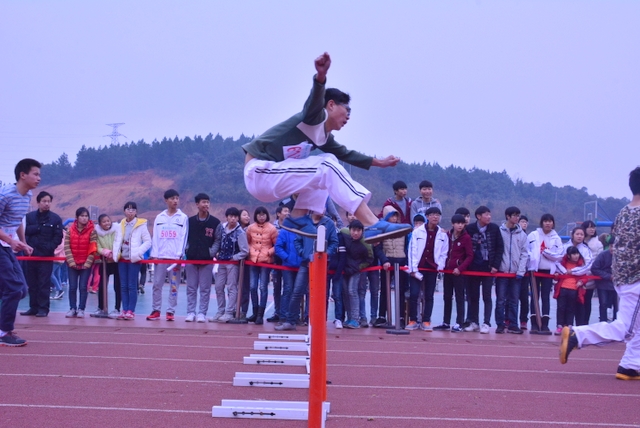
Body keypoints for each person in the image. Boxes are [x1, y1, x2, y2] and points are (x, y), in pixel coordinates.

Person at [241, 52, 410, 243]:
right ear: (331, 105)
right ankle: (371, 223)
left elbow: (347, 154)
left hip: (272, 179)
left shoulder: (323, 137)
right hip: (259, 172)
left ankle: (297, 217)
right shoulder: (314, 116)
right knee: (326, 166)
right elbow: (313, 101)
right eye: (347, 110)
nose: (348, 117)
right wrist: (321, 76)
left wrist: (380, 162)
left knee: (329, 162)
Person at [560, 167, 640, 381]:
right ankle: (578, 335)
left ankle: (630, 365)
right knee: (626, 328)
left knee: (637, 324)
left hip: (623, 276)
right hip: (636, 277)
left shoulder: (624, 212)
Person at [0, 158, 41, 346]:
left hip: (7, 245)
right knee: (14, 288)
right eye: (35, 174)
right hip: (3, 244)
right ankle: (4, 331)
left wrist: (23, 242)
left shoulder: (28, 196)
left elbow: (17, 220)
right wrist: (10, 240)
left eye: (39, 175)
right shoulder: (5, 195)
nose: (39, 178)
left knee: (21, 290)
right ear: (22, 175)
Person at [275, 212, 338, 331]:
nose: (321, 210)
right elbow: (297, 240)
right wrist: (302, 252)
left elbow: (334, 242)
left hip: (321, 264)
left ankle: (318, 322)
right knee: (297, 291)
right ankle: (290, 321)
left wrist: (326, 254)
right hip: (305, 262)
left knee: (320, 294)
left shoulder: (329, 223)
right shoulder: (304, 221)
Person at [147, 189, 189, 321]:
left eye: (177, 198)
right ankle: (156, 310)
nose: (175, 201)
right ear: (166, 200)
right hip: (160, 257)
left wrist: (179, 255)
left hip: (175, 259)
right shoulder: (160, 217)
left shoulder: (183, 218)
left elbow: (184, 237)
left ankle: (170, 311)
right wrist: (154, 254)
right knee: (157, 284)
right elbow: (155, 237)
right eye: (172, 198)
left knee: (174, 285)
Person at [405, 207, 448, 331]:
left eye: (438, 215)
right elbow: (412, 250)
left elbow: (444, 252)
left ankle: (426, 321)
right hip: (417, 268)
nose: (435, 217)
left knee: (429, 296)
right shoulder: (417, 232)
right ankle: (413, 320)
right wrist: (413, 269)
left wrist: (440, 266)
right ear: (427, 217)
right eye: (433, 214)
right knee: (414, 294)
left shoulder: (442, 234)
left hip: (432, 269)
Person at [21, 191, 63, 317]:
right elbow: (24, 232)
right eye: (44, 201)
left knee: (44, 283)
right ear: (38, 202)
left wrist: (49, 247)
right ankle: (33, 307)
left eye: (49, 201)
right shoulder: (29, 217)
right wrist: (36, 230)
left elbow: (58, 237)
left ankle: (43, 309)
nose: (47, 204)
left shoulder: (55, 218)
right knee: (32, 283)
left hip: (46, 256)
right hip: (31, 255)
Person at [464, 206, 504, 333]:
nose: (489, 217)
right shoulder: (470, 228)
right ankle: (474, 322)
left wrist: (495, 265)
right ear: (478, 216)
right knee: (473, 296)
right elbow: (466, 248)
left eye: (489, 214)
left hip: (488, 267)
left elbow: (499, 248)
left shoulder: (494, 228)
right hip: (473, 267)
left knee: (487, 296)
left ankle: (486, 323)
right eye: (486, 214)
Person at [184, 193, 220, 323]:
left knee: (205, 289)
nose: (206, 204)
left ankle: (202, 313)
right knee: (191, 288)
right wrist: (187, 249)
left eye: (208, 202)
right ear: (197, 204)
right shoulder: (190, 221)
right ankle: (190, 312)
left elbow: (217, 240)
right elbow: (185, 238)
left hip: (207, 260)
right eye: (203, 202)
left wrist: (211, 252)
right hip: (191, 259)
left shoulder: (215, 222)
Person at [113, 201, 151, 320]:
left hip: (134, 260)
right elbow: (116, 240)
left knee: (132, 286)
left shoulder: (141, 225)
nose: (130, 212)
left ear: (136, 212)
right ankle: (124, 310)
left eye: (133, 210)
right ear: (124, 211)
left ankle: (131, 310)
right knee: (123, 286)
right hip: (122, 259)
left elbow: (148, 241)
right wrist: (115, 253)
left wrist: (138, 252)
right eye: (128, 209)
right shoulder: (120, 225)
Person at [435, 213, 473, 333]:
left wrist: (460, 268)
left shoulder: (466, 238)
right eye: (457, 223)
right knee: (447, 297)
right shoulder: (447, 235)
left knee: (459, 297)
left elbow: (470, 256)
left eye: (462, 223)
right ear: (452, 224)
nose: (460, 225)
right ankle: (446, 322)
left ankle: (459, 323)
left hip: (458, 273)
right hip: (447, 271)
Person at [210, 207, 249, 322]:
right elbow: (217, 241)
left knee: (232, 287)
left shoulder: (240, 232)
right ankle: (220, 311)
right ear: (226, 217)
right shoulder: (222, 228)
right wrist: (216, 253)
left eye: (235, 217)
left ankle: (229, 312)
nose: (233, 219)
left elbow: (245, 251)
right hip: (221, 262)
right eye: (231, 216)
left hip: (232, 264)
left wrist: (234, 258)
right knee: (218, 286)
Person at [527, 213, 564, 333]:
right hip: (534, 271)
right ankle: (534, 323)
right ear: (542, 223)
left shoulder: (556, 238)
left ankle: (545, 325)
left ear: (553, 223)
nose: (548, 223)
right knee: (534, 297)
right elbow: (527, 251)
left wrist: (546, 252)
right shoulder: (533, 235)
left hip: (548, 271)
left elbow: (559, 255)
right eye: (545, 221)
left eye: (550, 221)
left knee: (545, 297)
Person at [495, 206, 528, 334]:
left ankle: (513, 324)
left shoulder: (522, 234)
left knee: (514, 300)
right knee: (500, 300)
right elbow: (496, 250)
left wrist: (521, 271)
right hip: (502, 272)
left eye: (518, 215)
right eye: (514, 215)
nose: (517, 218)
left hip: (516, 273)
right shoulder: (499, 232)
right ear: (507, 216)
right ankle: (500, 324)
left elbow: (524, 254)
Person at [376, 207, 408, 328]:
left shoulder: (403, 229)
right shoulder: (381, 229)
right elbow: (377, 248)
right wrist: (384, 260)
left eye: (396, 215)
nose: (394, 218)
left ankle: (401, 317)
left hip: (401, 262)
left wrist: (405, 261)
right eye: (391, 215)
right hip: (387, 262)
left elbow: (407, 246)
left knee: (401, 291)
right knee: (384, 290)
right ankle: (382, 316)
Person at [246, 206, 279, 325]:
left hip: (266, 261)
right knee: (252, 286)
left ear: (266, 215)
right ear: (256, 215)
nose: (261, 217)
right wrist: (251, 251)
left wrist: (268, 252)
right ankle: (255, 312)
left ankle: (260, 315)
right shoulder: (250, 228)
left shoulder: (272, 228)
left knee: (263, 287)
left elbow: (277, 244)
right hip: (253, 260)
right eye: (259, 214)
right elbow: (247, 242)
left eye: (263, 214)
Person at [64, 207, 98, 318]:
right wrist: (71, 261)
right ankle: (72, 308)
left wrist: (87, 263)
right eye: (82, 216)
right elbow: (66, 246)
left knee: (83, 287)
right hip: (72, 264)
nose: (84, 218)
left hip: (85, 265)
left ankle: (81, 309)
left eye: (86, 216)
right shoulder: (70, 230)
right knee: (72, 287)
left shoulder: (92, 231)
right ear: (77, 217)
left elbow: (93, 248)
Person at [564, 227, 594, 326]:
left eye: (582, 234)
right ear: (572, 235)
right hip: (566, 281)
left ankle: (580, 327)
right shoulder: (564, 247)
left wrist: (574, 272)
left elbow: (588, 265)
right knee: (565, 306)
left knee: (580, 305)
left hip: (580, 281)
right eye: (577, 234)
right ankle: (565, 327)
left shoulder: (586, 249)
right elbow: (559, 261)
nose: (579, 236)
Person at [553, 246, 586, 335]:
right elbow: (556, 275)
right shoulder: (562, 264)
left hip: (574, 289)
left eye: (577, 253)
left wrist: (581, 281)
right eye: (573, 254)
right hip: (562, 288)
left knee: (571, 308)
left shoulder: (581, 265)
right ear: (568, 255)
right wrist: (556, 276)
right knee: (561, 308)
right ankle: (559, 326)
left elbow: (585, 276)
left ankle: (569, 326)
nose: (576, 256)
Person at [95, 214, 122, 317]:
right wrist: (105, 252)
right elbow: (97, 245)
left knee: (117, 286)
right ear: (100, 224)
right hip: (104, 261)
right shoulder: (97, 232)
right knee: (102, 286)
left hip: (116, 261)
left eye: (108, 221)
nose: (107, 223)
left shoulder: (117, 229)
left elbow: (119, 242)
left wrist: (114, 254)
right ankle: (101, 308)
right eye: (104, 221)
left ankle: (117, 308)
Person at [267, 205, 289, 323]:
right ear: (278, 213)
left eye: (288, 211)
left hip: (288, 262)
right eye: (285, 211)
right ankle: (277, 312)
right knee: (276, 288)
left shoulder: (291, 226)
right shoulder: (272, 228)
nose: (287, 213)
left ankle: (286, 313)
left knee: (287, 288)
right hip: (275, 262)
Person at [592, 234, 617, 322]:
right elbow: (594, 268)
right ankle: (603, 322)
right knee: (603, 304)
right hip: (603, 284)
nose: (613, 248)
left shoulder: (623, 257)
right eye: (611, 246)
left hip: (617, 284)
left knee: (617, 305)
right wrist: (608, 276)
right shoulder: (602, 255)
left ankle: (617, 322)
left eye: (615, 246)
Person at [517, 215, 530, 330]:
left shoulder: (530, 237)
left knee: (524, 298)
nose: (524, 224)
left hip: (525, 273)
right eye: (522, 221)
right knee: (511, 298)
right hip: (513, 271)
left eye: (526, 222)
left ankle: (523, 320)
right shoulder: (514, 235)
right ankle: (508, 319)